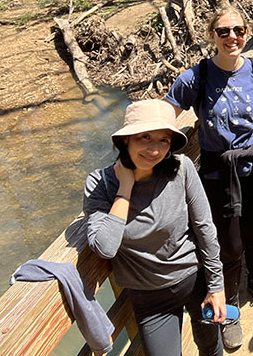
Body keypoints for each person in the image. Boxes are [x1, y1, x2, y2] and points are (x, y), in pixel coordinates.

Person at [165, 9, 253, 350]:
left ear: (247, 31)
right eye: (223, 30)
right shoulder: (196, 76)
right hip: (218, 173)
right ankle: (229, 307)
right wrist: (144, 157)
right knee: (229, 244)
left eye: (238, 29)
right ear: (211, 34)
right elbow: (165, 116)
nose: (232, 36)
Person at [84, 99, 226, 356]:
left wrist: (216, 286)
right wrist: (124, 189)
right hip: (149, 298)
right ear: (125, 140)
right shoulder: (101, 183)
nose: (154, 149)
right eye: (145, 137)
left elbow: (205, 229)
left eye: (164, 140)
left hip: (194, 280)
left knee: (210, 347)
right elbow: (105, 247)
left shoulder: (181, 169)